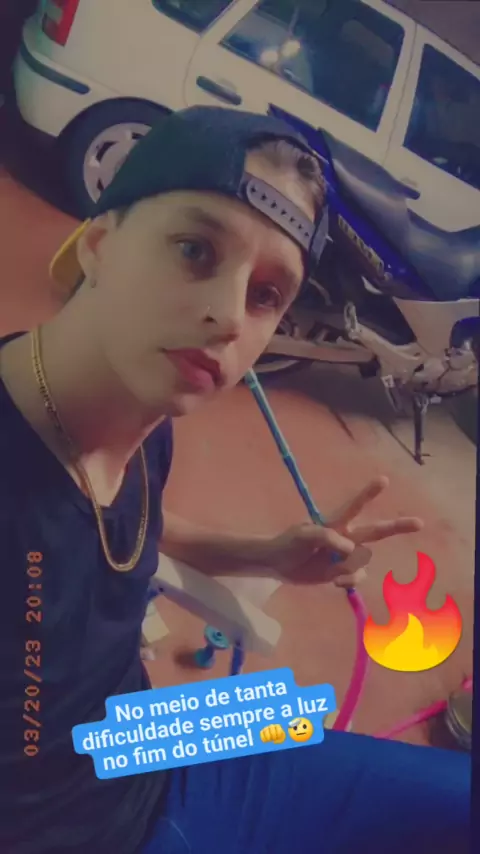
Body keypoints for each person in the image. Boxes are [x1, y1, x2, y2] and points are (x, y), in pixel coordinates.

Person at [0, 106, 470, 854]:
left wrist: (267, 555)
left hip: (147, 733)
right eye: (195, 250)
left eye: (266, 296)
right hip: (83, 829)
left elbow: (129, 525)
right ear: (99, 243)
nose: (227, 316)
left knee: (459, 798)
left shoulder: (138, 411)